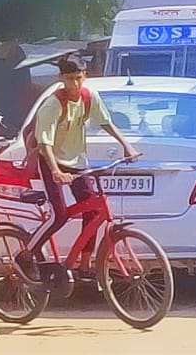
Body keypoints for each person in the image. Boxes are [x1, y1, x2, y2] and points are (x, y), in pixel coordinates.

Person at [23, 56, 139, 273]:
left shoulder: (88, 97)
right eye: (69, 79)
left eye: (78, 78)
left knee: (93, 210)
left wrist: (127, 146)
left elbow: (106, 122)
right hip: (51, 161)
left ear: (85, 76)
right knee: (60, 215)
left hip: (77, 161)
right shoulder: (53, 104)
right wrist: (56, 171)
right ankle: (27, 253)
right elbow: (44, 142)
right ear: (61, 79)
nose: (74, 84)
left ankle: (85, 263)